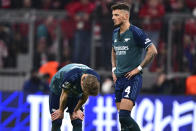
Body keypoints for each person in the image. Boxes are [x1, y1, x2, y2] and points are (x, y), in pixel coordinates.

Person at [111, 2, 158, 131]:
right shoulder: (115, 32)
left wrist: (139, 68)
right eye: (112, 15)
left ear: (126, 16)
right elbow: (113, 50)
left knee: (124, 116)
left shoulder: (136, 32)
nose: (113, 18)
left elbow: (153, 50)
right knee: (123, 122)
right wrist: (113, 69)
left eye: (116, 15)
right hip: (119, 79)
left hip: (131, 79)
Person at [49, 63, 100, 131]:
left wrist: (76, 109)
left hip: (75, 93)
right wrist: (61, 110)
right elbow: (64, 94)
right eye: (84, 90)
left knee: (77, 120)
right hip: (58, 90)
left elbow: (85, 95)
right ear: (81, 83)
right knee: (57, 120)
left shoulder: (95, 79)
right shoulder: (71, 76)